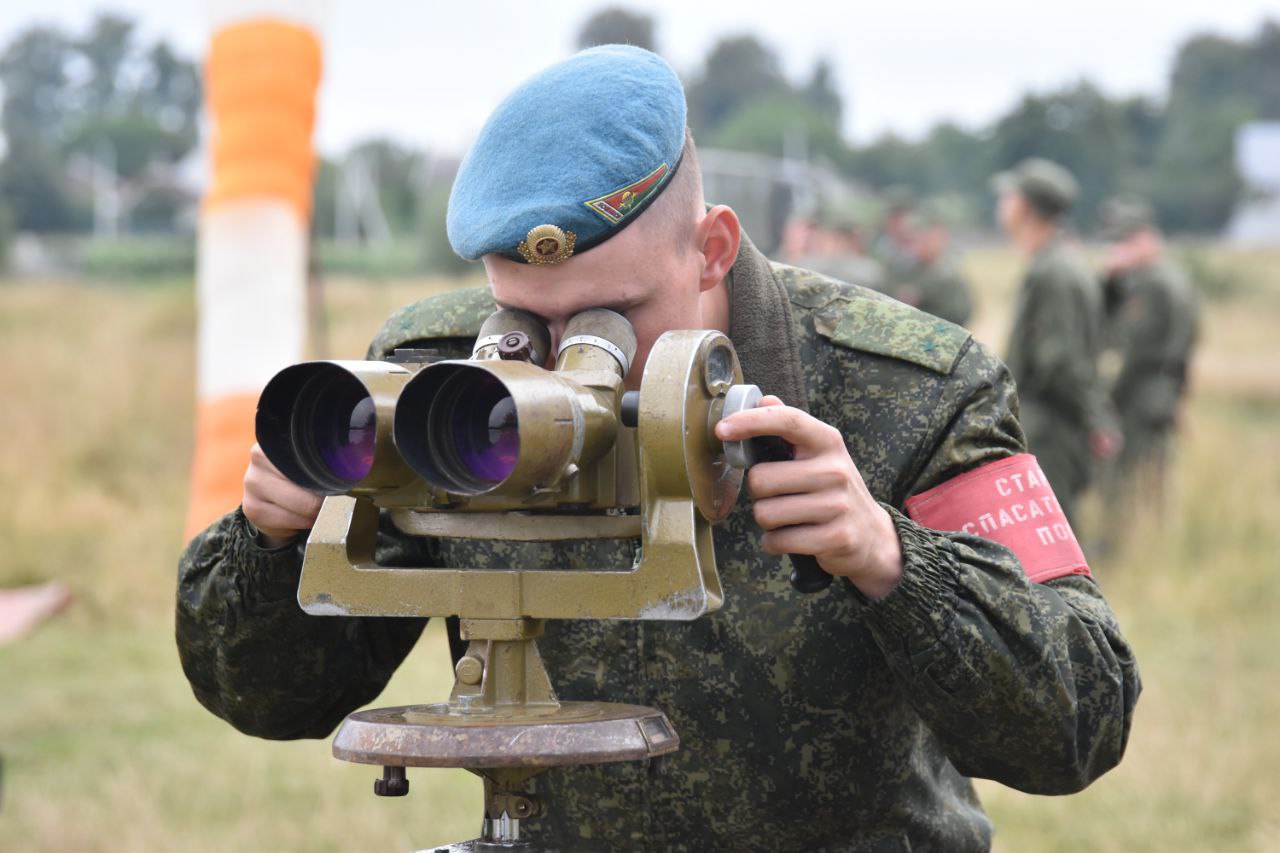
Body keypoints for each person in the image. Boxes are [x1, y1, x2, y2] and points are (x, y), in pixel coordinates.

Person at [177, 47, 1140, 851]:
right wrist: (273, 545)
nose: (562, 362)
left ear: (712, 247)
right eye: (526, 322)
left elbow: (1082, 717)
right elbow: (266, 697)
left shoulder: (909, 387)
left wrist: (894, 560)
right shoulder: (438, 386)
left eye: (611, 320)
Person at [993, 158, 1119, 526]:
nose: (1002, 204)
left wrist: (1095, 420)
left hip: (1051, 428)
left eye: (1008, 196)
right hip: (1052, 423)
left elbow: (1060, 362)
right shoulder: (1054, 263)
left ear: (1024, 207)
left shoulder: (1055, 272)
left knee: (1051, 537)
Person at [1098, 195, 1199, 506]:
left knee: (1132, 472)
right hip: (1162, 388)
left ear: (1145, 239)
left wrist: (1111, 395)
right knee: (1152, 469)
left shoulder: (1152, 283)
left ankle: (1130, 529)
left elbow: (1133, 349)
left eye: (1125, 242)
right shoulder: (1173, 276)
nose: (1118, 250)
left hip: (1143, 391)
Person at [894, 206, 974, 327]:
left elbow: (960, 312)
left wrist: (921, 298)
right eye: (917, 240)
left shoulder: (947, 273)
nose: (921, 244)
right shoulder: (908, 269)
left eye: (927, 239)